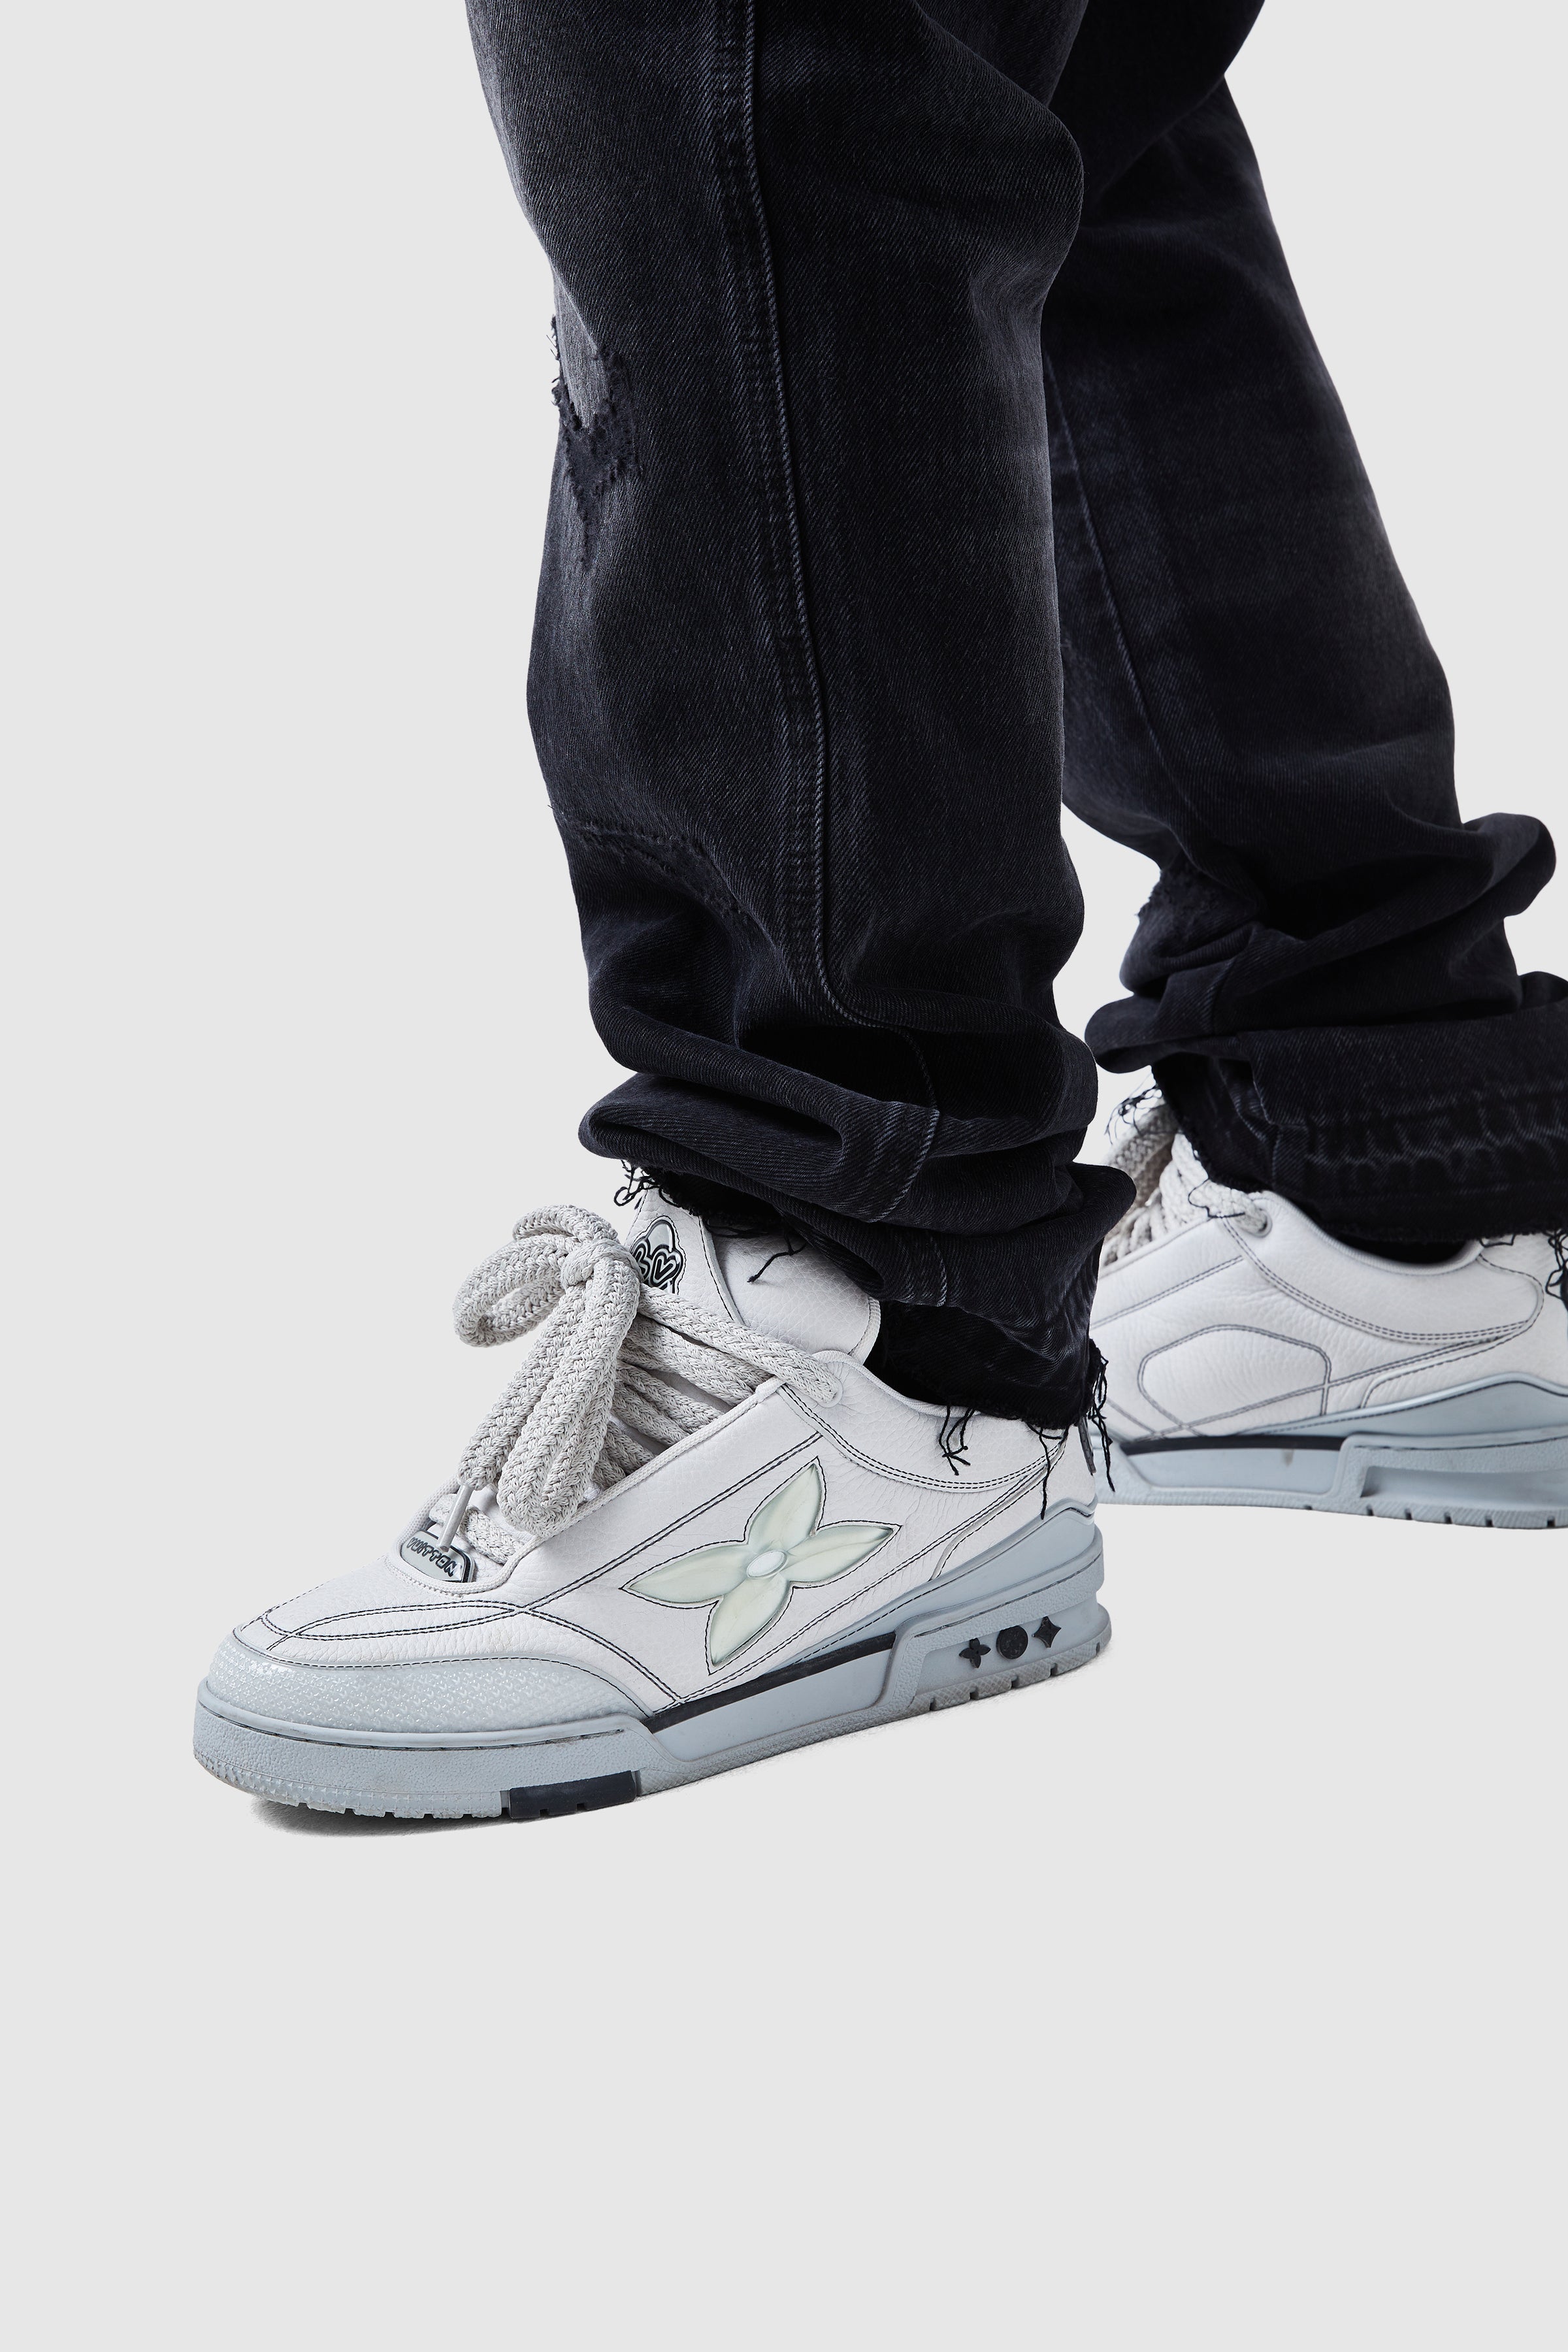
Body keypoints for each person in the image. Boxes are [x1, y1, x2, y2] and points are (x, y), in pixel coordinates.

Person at [193, 0, 1567, 1821]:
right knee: (1033, 94)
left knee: (756, 74)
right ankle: (1378, 1159)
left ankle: (877, 1317)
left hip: (884, 1321)